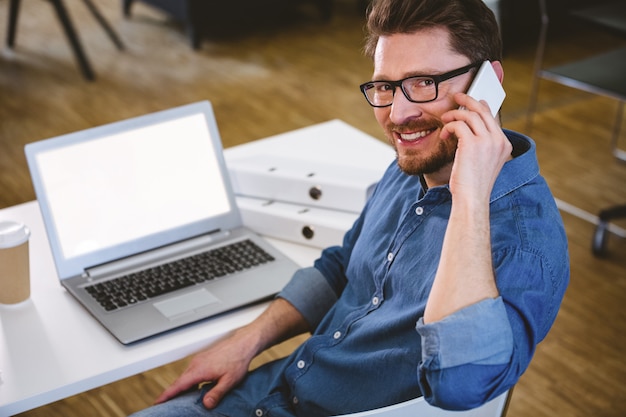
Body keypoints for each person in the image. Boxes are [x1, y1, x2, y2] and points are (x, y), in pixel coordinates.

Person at [130, 0, 569, 415]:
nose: (398, 114)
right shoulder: (414, 162)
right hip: (275, 390)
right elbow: (344, 267)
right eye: (385, 86)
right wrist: (248, 340)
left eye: (423, 83)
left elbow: (460, 385)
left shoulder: (525, 242)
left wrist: (469, 196)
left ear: (489, 83)